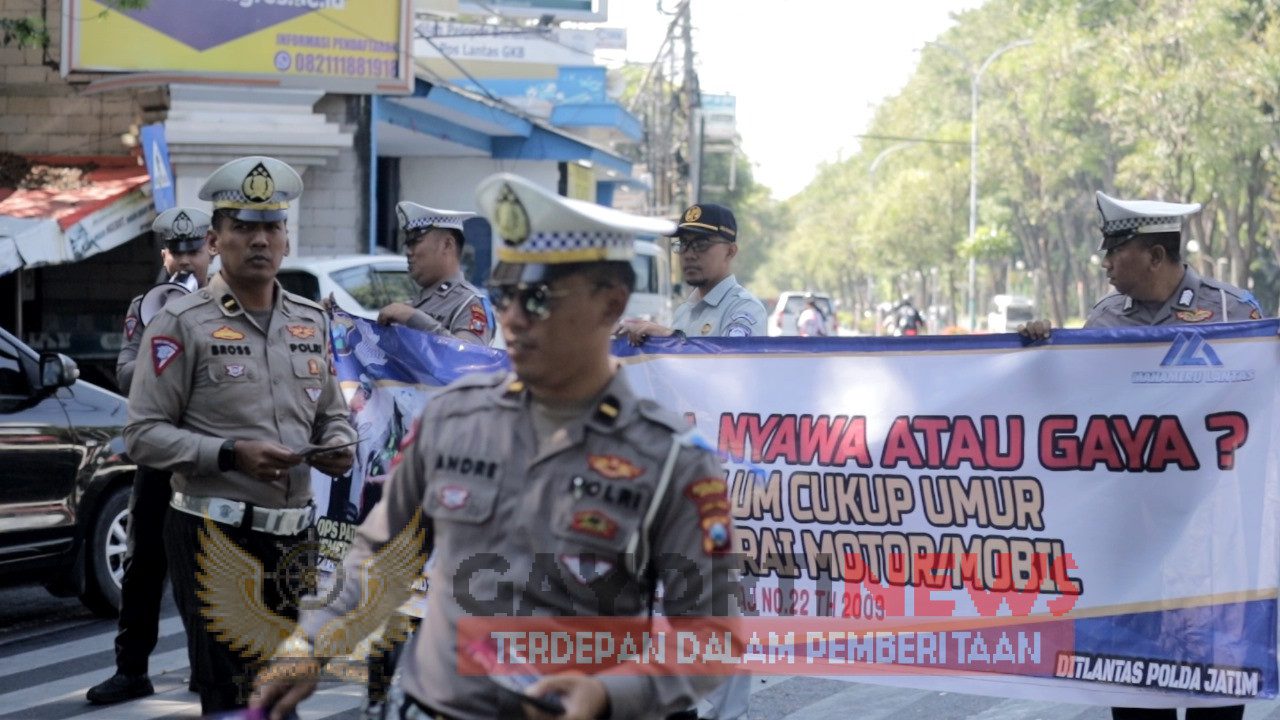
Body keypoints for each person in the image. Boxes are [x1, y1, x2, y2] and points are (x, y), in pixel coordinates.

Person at [250, 173, 741, 720]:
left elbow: (713, 635)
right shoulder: (454, 419)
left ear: (611, 303)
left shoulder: (673, 460)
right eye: (505, 294)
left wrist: (610, 695)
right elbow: (379, 551)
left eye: (538, 297)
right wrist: (309, 643)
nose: (512, 318)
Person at [124, 156, 357, 715]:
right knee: (231, 698)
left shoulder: (309, 319)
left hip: (295, 540)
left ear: (286, 238)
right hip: (214, 536)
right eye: (243, 227)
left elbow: (330, 411)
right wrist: (229, 454)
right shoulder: (181, 323)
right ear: (215, 238)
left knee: (284, 693)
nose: (259, 240)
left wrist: (340, 443)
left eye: (270, 227)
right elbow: (142, 435)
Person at [1022, 191, 1259, 720]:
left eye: (1116, 249)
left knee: (1217, 677)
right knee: (1134, 681)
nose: (1105, 262)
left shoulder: (1233, 312)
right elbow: (1068, 409)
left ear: (1155, 255)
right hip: (1131, 532)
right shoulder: (1104, 322)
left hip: (1213, 534)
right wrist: (1037, 356)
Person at [86, 207, 214, 705]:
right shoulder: (146, 306)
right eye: (176, 252)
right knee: (144, 563)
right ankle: (130, 669)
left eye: (193, 251)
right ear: (165, 254)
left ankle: (209, 671)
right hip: (161, 453)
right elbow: (123, 374)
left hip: (209, 455)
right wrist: (162, 337)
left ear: (212, 249)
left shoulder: (230, 301)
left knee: (205, 564)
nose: (185, 260)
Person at [616, 202, 766, 344]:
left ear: (730, 252)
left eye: (701, 244)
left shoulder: (744, 309)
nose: (688, 254)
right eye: (683, 244)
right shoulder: (684, 312)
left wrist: (667, 337)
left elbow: (732, 366)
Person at [374, 201, 492, 345]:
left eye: (415, 241)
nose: (408, 252)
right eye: (407, 244)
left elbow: (469, 358)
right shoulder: (417, 302)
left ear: (447, 244)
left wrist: (413, 318)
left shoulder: (470, 303)